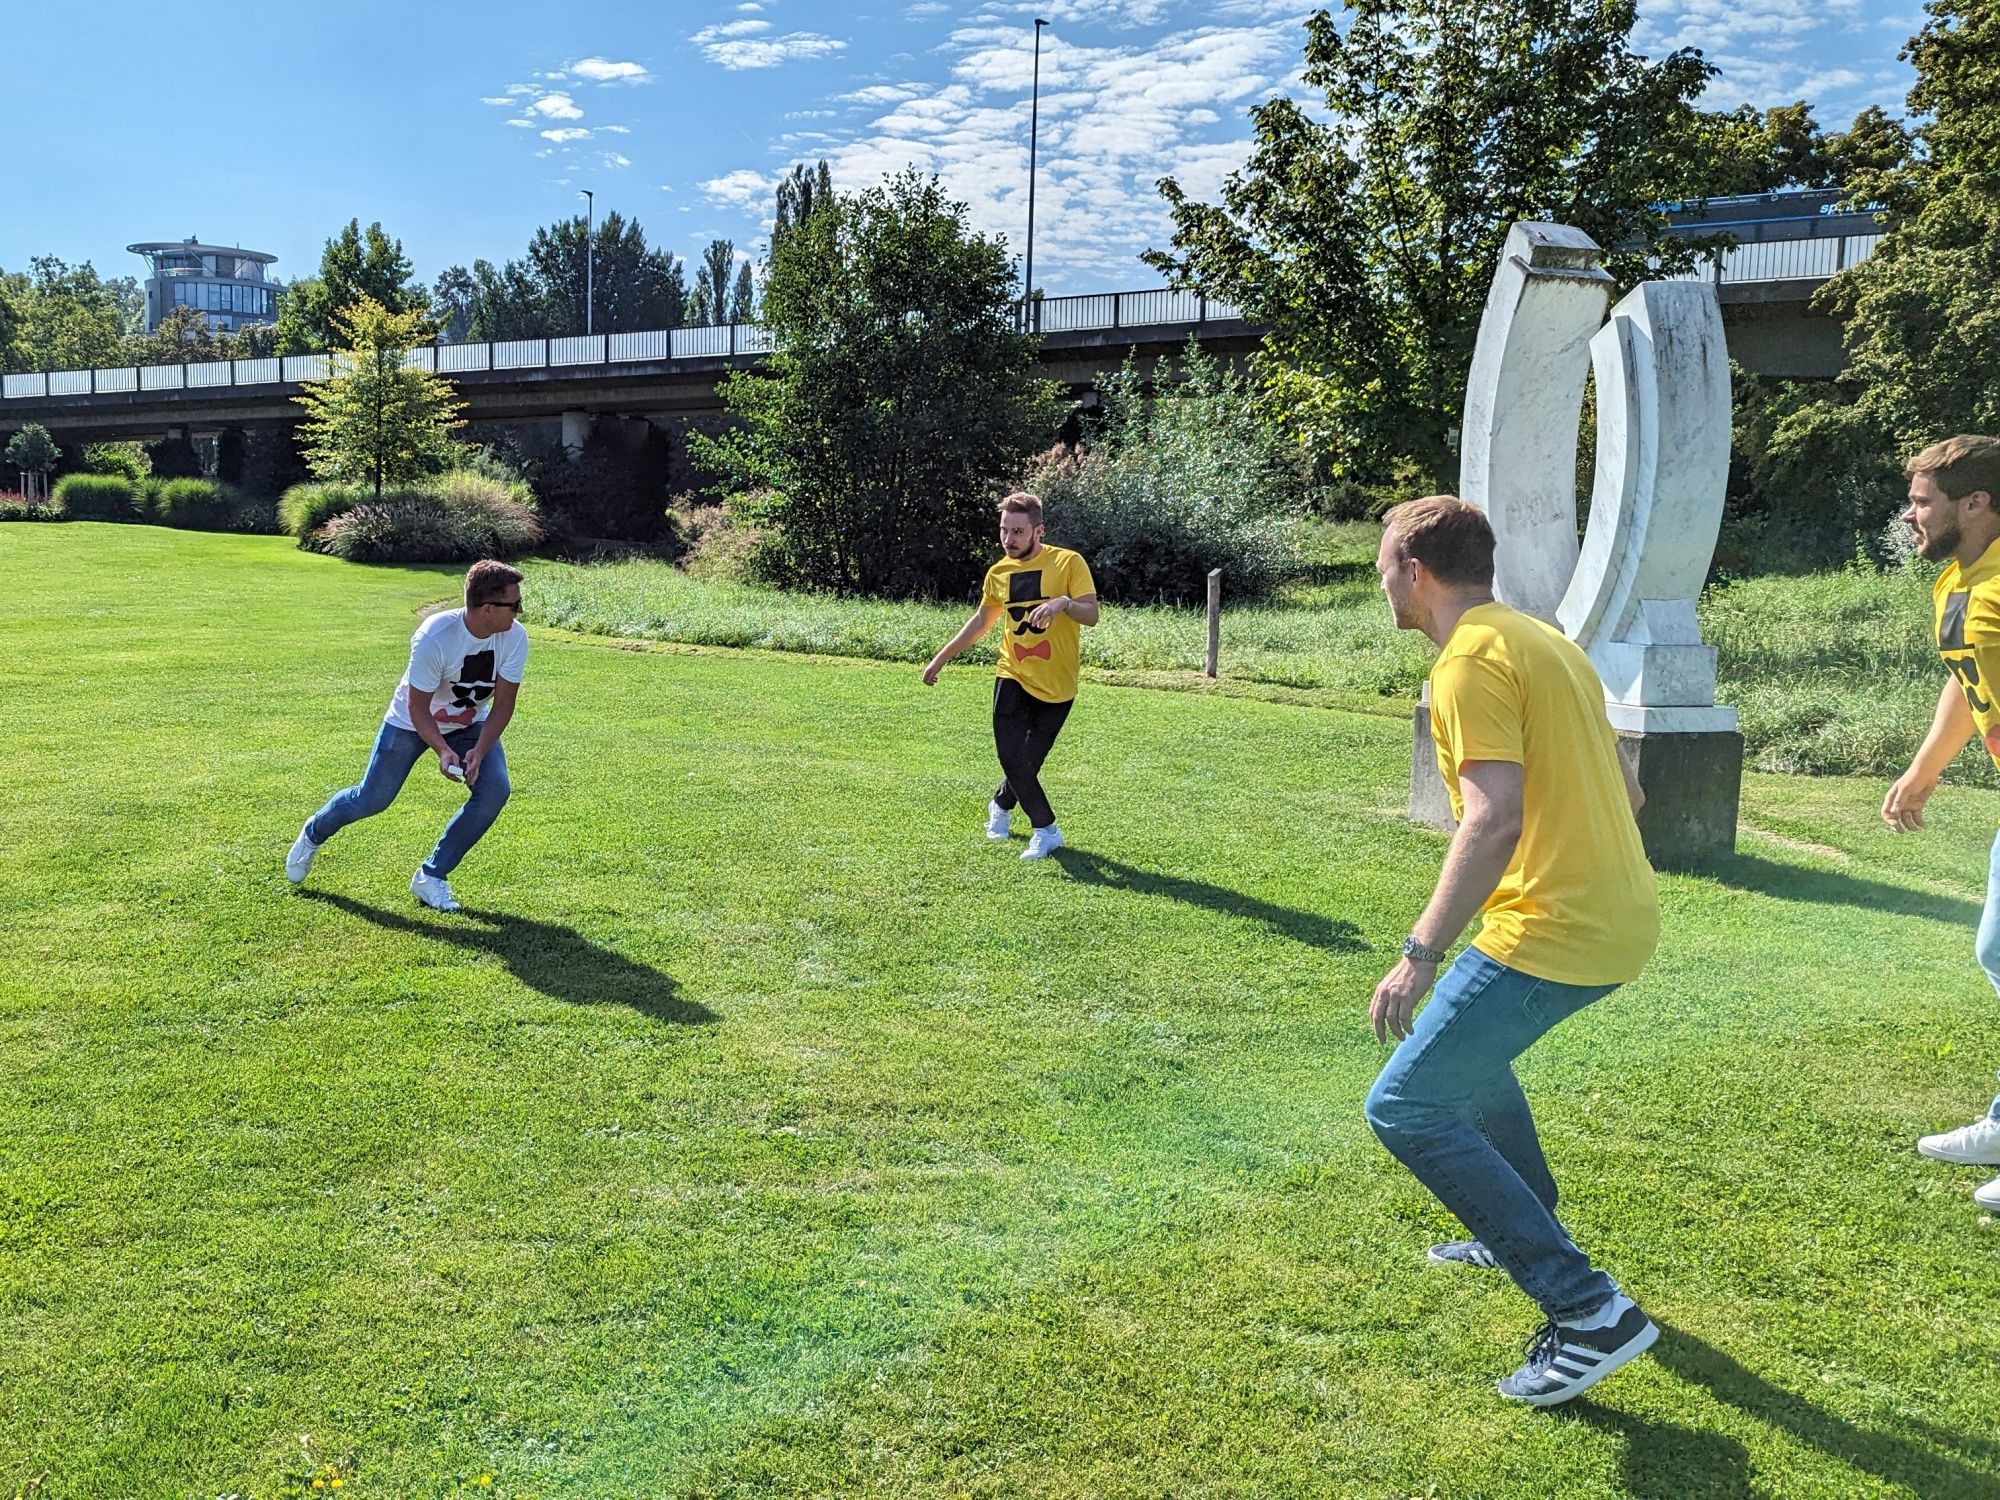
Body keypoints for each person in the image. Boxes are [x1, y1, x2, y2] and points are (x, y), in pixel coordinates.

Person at [1362, 495, 1660, 1407]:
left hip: (1555, 925)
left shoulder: (1466, 663)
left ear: (1416, 571)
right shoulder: (1544, 643)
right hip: (1613, 913)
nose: (1380, 582)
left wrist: (1419, 950)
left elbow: (1493, 818)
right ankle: (1514, 1220)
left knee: (1406, 1104)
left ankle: (1588, 1311)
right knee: (1471, 1069)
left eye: (1383, 565)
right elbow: (1631, 793)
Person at [1881, 434, 2000, 1214]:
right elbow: (1968, 677)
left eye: (1925, 501)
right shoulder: (1957, 581)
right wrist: (1923, 771)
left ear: (1977, 503)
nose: (1911, 515)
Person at [286, 560, 528, 912]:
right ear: (488, 609)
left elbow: (504, 703)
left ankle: (432, 876)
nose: (519, 612)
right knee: (372, 798)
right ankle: (314, 831)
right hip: (411, 721)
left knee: (494, 789)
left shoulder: (514, 636)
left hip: (468, 723)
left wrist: (478, 749)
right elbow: (418, 707)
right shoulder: (435, 636)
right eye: (514, 605)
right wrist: (443, 751)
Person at [922, 492, 1099, 860]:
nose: (1008, 539)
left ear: (1038, 531)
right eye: (1004, 530)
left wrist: (1064, 604)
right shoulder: (998, 573)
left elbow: (1092, 614)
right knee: (1010, 753)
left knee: (1029, 760)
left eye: (1018, 531)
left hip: (1059, 683)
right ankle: (1046, 829)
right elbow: (981, 622)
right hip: (1012, 672)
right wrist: (940, 659)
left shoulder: (1068, 562)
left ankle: (1000, 806)